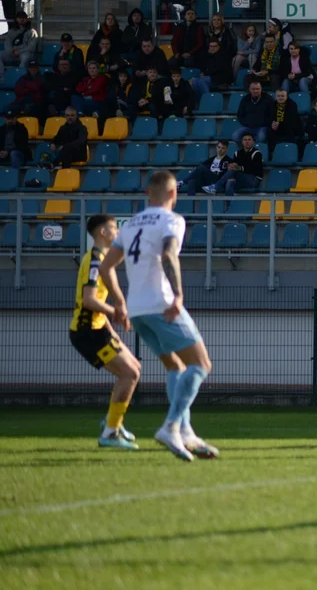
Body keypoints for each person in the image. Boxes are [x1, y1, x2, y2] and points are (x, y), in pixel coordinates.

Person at [98, 171, 218, 462]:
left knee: (176, 367)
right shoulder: (172, 220)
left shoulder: (130, 224)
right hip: (161, 303)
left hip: (138, 310)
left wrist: (121, 303)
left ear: (147, 193)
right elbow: (168, 255)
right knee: (200, 364)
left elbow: (105, 268)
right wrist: (177, 295)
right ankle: (171, 426)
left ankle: (186, 431)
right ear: (174, 193)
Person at [69, 214, 141, 450]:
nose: (117, 233)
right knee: (129, 373)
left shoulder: (100, 259)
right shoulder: (95, 261)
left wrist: (114, 331)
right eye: (113, 229)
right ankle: (110, 432)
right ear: (102, 233)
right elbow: (89, 301)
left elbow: (95, 300)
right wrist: (117, 312)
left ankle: (113, 424)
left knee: (134, 369)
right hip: (87, 331)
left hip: (98, 328)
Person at [205, 130, 263, 195]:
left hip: (253, 180)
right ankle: (228, 204)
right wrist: (231, 166)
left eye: (249, 140)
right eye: (245, 140)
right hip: (240, 178)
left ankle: (215, 187)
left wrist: (239, 168)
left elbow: (254, 169)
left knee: (233, 172)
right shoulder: (237, 153)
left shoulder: (257, 153)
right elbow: (234, 166)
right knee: (230, 181)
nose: (247, 142)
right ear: (242, 142)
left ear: (253, 141)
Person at [0, 11, 38, 83]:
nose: (21, 20)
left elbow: (31, 48)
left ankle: (18, 78)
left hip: (25, 53)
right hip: (12, 53)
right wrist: (12, 52)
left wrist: (19, 52)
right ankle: (2, 78)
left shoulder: (32, 32)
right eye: (19, 18)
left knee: (26, 57)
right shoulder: (12, 31)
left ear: (27, 19)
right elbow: (7, 44)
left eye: (23, 18)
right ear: (16, 19)